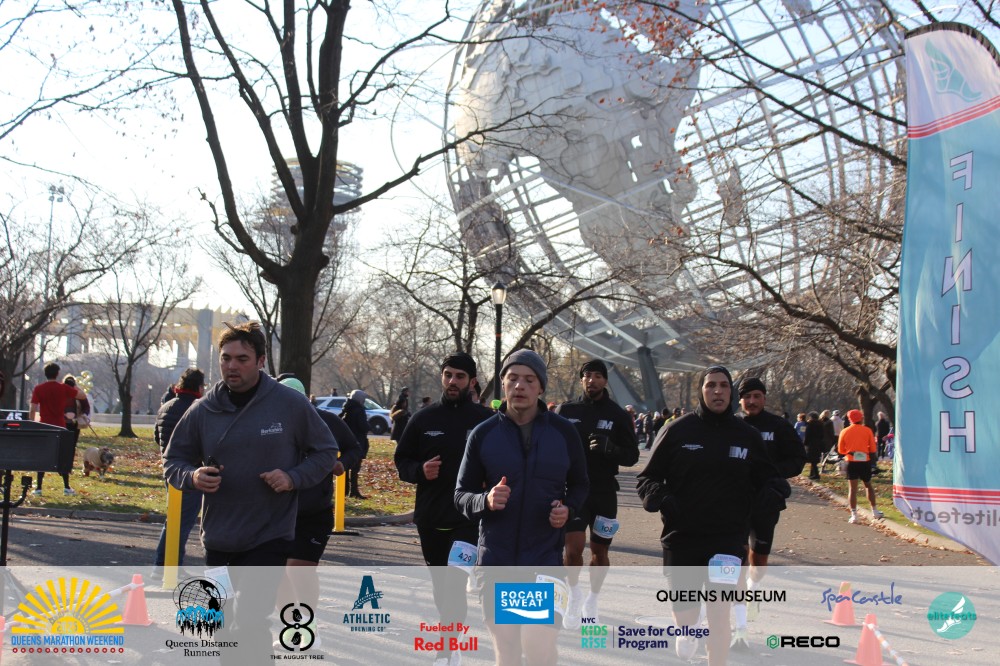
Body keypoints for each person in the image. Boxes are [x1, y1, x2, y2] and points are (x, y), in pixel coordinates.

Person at [163, 321, 338, 661]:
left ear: (260, 361)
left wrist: (292, 477)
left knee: (251, 619)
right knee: (222, 624)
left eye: (242, 359)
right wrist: (193, 476)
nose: (232, 366)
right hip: (219, 538)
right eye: (226, 358)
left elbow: (326, 451)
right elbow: (173, 461)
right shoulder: (203, 410)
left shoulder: (288, 404)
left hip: (269, 535)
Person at [636, 366, 786, 666]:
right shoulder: (677, 430)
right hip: (683, 537)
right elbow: (647, 478)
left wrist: (775, 491)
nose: (717, 391)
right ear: (701, 392)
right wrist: (661, 498)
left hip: (727, 538)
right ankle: (687, 631)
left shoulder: (747, 435)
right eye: (711, 386)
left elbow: (769, 477)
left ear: (731, 392)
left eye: (724, 386)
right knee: (686, 615)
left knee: (719, 614)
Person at [455, 349, 589, 666]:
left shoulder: (563, 433)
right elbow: (461, 496)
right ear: (503, 383)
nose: (520, 386)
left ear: (540, 387)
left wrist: (568, 509)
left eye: (529, 380)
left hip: (543, 560)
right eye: (513, 378)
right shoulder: (484, 434)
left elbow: (581, 485)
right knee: (508, 651)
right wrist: (485, 500)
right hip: (497, 560)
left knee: (537, 646)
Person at [394, 353, 493, 666]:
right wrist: (420, 470)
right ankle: (453, 640)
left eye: (460, 376)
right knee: (441, 587)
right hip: (431, 517)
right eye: (448, 374)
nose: (452, 381)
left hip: (469, 519)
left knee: (453, 584)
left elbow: (503, 462)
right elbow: (401, 461)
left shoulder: (487, 420)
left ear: (472, 382)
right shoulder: (423, 419)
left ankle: (447, 650)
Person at [274, 375, 359, 650]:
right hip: (276, 512)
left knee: (298, 571)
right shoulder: (268, 423)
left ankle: (309, 627)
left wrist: (342, 464)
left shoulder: (326, 421)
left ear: (305, 400)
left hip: (313, 512)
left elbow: (354, 447)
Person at [554, 359, 639, 628]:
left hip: (604, 491)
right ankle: (574, 595)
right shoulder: (566, 410)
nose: (592, 380)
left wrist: (611, 449)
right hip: (573, 490)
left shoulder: (617, 414)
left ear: (605, 380)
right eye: (588, 375)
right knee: (572, 549)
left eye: (598, 376)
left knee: (600, 552)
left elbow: (632, 456)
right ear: (581, 379)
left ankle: (593, 598)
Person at [731, 377, 806, 650]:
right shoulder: (732, 425)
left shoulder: (779, 426)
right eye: (747, 397)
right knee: (737, 560)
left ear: (764, 398)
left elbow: (798, 460)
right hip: (736, 502)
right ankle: (740, 623)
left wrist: (773, 473)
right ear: (740, 400)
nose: (751, 401)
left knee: (758, 560)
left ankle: (754, 589)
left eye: (756, 396)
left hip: (767, 501)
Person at [153, 368, 206, 576]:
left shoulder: (165, 407)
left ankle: (164, 566)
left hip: (169, 470)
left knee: (174, 519)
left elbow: (157, 437)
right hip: (190, 472)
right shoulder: (197, 409)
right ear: (199, 387)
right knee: (182, 522)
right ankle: (166, 567)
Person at [29, 362, 88, 495]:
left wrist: (32, 424)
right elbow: (82, 396)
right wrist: (74, 385)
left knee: (43, 455)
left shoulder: (39, 388)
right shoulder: (63, 388)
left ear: (45, 374)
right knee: (62, 456)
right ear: (57, 374)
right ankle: (66, 487)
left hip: (44, 426)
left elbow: (32, 409)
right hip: (60, 426)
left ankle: (38, 488)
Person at [838, 409, 884, 523]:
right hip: (864, 461)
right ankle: (874, 511)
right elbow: (873, 449)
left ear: (849, 419)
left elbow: (841, 450)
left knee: (852, 489)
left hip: (851, 461)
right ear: (861, 418)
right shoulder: (867, 430)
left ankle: (854, 515)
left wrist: (850, 451)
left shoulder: (844, 431)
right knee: (868, 486)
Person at [341, 389, 370, 498]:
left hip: (346, 441)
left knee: (345, 467)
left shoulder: (347, 408)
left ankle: (344, 490)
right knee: (355, 468)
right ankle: (354, 491)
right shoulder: (359, 410)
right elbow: (363, 427)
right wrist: (368, 425)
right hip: (357, 441)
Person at [803, 411, 825, 479]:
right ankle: (812, 474)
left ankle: (816, 475)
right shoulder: (821, 424)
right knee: (814, 459)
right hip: (818, 443)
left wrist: (805, 443)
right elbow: (822, 435)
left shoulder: (810, 424)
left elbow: (807, 435)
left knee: (812, 460)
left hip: (811, 444)